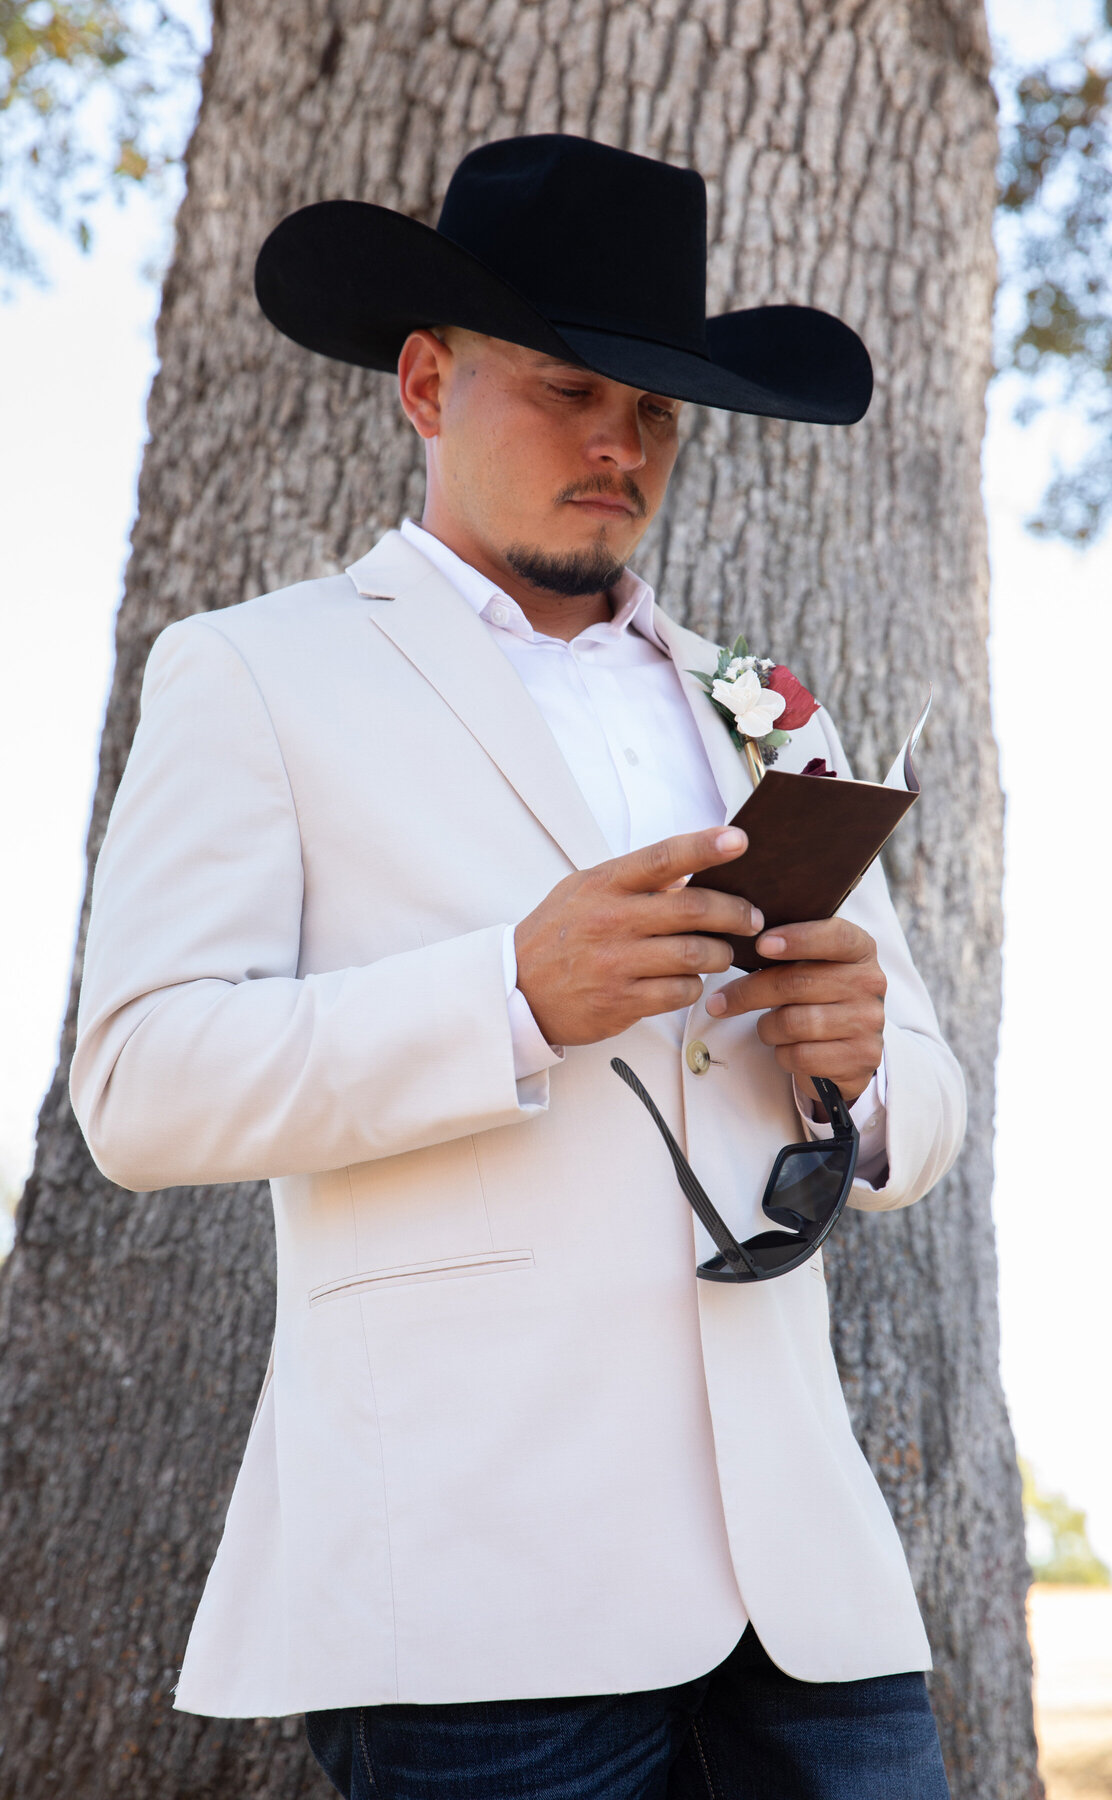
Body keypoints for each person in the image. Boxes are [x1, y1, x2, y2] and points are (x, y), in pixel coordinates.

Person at [71, 134, 965, 1799]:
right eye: (566, 388)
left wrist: (871, 1067)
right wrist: (508, 998)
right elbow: (140, 1087)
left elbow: (913, 1099)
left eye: (656, 409)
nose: (619, 442)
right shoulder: (255, 673)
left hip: (814, 1608)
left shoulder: (764, 706)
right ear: (426, 382)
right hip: (472, 1597)